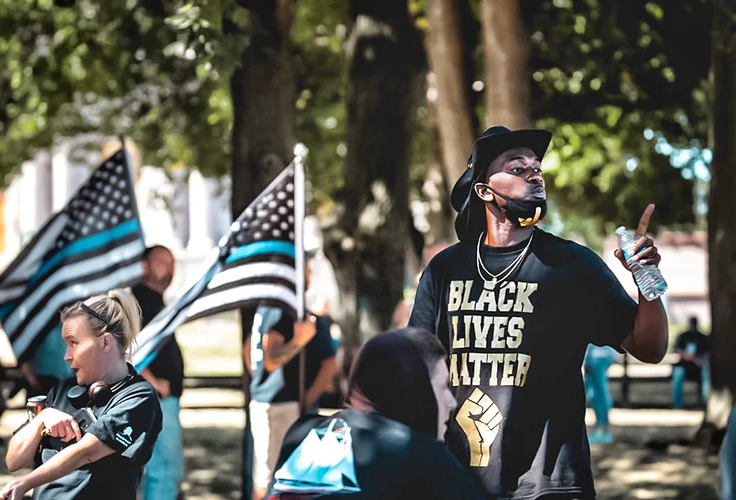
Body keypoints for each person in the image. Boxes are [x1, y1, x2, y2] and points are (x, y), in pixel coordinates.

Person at [408, 125, 669, 499]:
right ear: (484, 190)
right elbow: (419, 368)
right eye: (517, 168)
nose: (534, 174)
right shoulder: (445, 269)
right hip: (459, 478)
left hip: (551, 484)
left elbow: (650, 348)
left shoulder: (573, 266)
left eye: (537, 168)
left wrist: (647, 280)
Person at [266, 328, 483, 499]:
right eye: (442, 387)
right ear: (414, 389)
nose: (451, 402)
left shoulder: (301, 431)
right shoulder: (420, 453)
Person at [0, 290, 162, 500]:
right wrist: (42, 419)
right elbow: (14, 461)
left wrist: (26, 482)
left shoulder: (138, 397)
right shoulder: (61, 391)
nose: (66, 356)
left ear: (105, 342)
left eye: (73, 343)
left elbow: (87, 452)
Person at [246, 261, 338, 500]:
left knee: (277, 477)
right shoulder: (280, 308)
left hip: (277, 400)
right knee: (273, 479)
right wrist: (299, 341)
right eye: (304, 267)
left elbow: (250, 349)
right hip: (278, 403)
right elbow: (271, 359)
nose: (309, 272)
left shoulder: (272, 306)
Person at [133, 245, 186, 500]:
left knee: (166, 471)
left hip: (164, 400)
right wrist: (151, 382)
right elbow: (127, 347)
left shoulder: (154, 300)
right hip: (157, 400)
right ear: (144, 266)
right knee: (164, 471)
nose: (169, 269)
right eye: (161, 262)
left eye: (172, 262)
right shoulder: (139, 300)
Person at [671, 316, 710, 409]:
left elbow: (707, 353)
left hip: (698, 366)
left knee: (706, 374)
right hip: (684, 366)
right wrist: (691, 358)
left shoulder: (703, 338)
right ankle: (677, 404)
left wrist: (696, 360)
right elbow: (678, 350)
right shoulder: (683, 336)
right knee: (677, 374)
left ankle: (705, 403)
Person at [583, 344, 619, 444]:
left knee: (599, 393)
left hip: (597, 355)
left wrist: (587, 358)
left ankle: (603, 429)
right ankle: (601, 428)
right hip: (600, 354)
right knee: (598, 392)